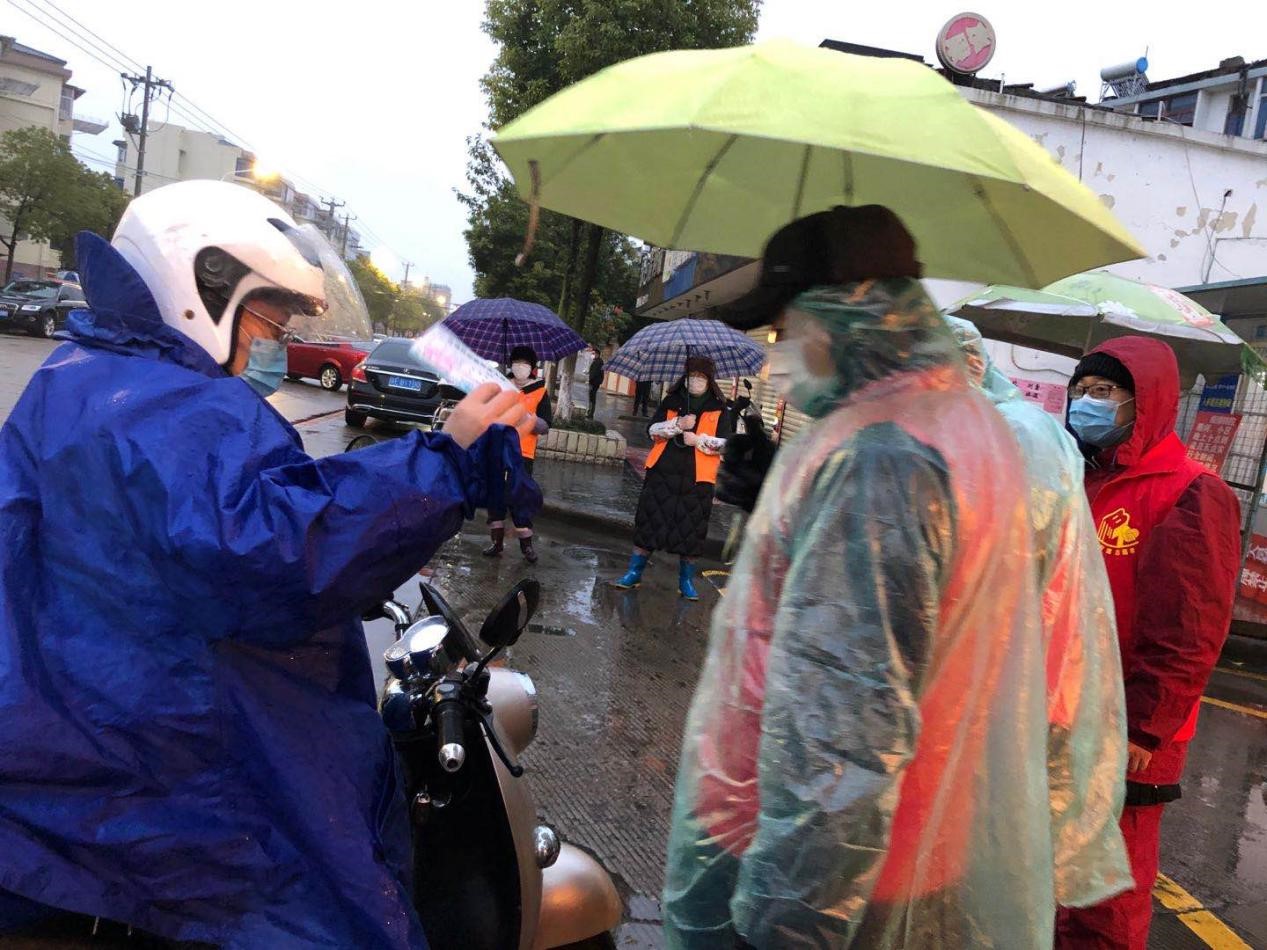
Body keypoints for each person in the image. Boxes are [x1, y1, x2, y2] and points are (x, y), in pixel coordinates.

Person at [0, 180, 538, 949]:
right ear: (204, 289)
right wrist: (445, 461)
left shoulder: (89, 376)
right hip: (168, 782)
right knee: (331, 909)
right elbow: (274, 547)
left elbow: (196, 535)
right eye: (268, 320)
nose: (272, 344)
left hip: (87, 745)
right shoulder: (162, 403)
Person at [663, 206, 1056, 948]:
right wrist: (779, 489)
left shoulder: (882, 464)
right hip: (900, 844)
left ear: (844, 315)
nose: (779, 356)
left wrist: (786, 922)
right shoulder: (945, 424)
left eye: (785, 331)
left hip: (815, 864)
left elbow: (844, 736)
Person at [1055, 338, 1241, 950]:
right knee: (1056, 872)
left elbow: (1191, 628)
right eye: (1080, 391)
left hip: (1132, 728)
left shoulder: (1190, 492)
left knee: (1108, 892)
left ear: (1147, 401)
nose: (1086, 403)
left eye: (1104, 392)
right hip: (1063, 711)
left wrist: (1144, 727)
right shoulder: (1077, 478)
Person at [946, 316, 1131, 910]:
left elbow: (1011, 567)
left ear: (971, 366)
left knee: (987, 860)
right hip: (987, 684)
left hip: (1014, 685)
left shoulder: (1019, 434)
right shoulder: (979, 427)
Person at [613, 357, 731, 600]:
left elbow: (727, 445)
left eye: (701, 377)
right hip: (662, 474)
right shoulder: (671, 401)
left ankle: (685, 581)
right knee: (649, 523)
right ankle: (634, 572)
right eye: (692, 375)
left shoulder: (720, 408)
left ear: (709, 380)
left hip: (698, 479)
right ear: (684, 377)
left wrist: (698, 440)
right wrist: (677, 424)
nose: (696, 380)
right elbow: (651, 431)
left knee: (691, 530)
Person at [484, 344, 551, 563]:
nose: (520, 367)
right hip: (498, 449)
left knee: (520, 496)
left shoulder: (540, 391)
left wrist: (527, 418)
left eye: (524, 363)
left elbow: (545, 426)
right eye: (516, 362)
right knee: (495, 496)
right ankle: (496, 542)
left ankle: (526, 546)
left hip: (523, 453)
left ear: (531, 368)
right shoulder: (502, 387)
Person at [587, 345, 605, 418]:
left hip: (594, 382)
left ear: (597, 354)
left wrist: (590, 380)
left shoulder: (598, 362)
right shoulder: (599, 361)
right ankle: (590, 412)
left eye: (593, 353)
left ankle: (590, 413)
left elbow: (594, 373)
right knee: (592, 397)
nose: (593, 355)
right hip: (596, 382)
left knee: (592, 397)